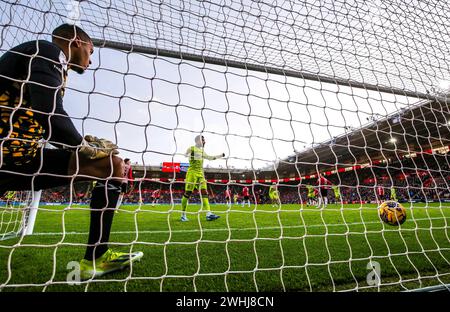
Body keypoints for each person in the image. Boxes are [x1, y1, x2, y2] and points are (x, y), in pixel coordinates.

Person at [0, 24, 143, 280]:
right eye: (90, 51)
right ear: (76, 42)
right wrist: (84, 147)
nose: (90, 59)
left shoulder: (56, 67)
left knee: (111, 166)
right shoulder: (46, 52)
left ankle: (95, 259)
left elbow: (41, 121)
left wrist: (83, 145)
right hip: (5, 158)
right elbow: (50, 115)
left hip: (22, 158)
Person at [180, 135, 225, 222]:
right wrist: (191, 155)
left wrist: (220, 155)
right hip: (192, 173)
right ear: (198, 141)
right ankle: (183, 214)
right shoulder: (191, 148)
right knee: (188, 194)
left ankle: (208, 214)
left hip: (201, 174)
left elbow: (210, 158)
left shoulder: (202, 151)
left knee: (204, 192)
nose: (204, 142)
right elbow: (185, 155)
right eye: (203, 140)